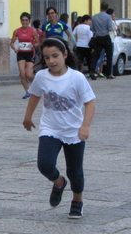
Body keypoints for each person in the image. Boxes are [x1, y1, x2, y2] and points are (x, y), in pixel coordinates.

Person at [23, 38, 96, 219]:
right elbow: (35, 96)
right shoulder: (41, 76)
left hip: (74, 131)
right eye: (47, 58)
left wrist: (85, 126)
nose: (51, 61)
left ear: (65, 54)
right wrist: (27, 117)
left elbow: (90, 103)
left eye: (55, 56)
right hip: (50, 128)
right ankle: (58, 182)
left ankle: (77, 201)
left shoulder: (76, 78)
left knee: (75, 171)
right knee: (45, 164)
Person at [10, 11, 38, 98]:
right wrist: (15, 49)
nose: (24, 22)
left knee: (29, 74)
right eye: (23, 20)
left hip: (30, 53)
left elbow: (38, 42)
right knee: (22, 74)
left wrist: (33, 45)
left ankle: (36, 85)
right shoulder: (17, 31)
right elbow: (11, 43)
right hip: (21, 53)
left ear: (29, 21)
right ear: (20, 21)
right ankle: (27, 91)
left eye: (26, 20)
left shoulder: (33, 31)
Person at [90, 2, 114, 80]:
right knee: (109, 55)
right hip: (106, 37)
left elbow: (91, 29)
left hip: (98, 37)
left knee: (96, 56)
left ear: (100, 7)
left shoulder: (94, 17)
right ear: (107, 8)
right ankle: (108, 73)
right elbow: (110, 28)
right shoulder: (108, 17)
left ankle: (92, 72)